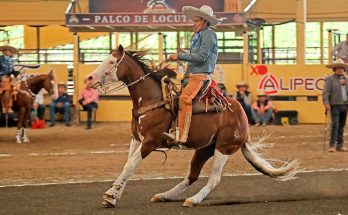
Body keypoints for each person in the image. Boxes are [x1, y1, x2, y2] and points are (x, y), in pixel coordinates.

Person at [162, 5, 222, 143]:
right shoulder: (198, 35)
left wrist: (181, 55)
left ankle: (182, 135)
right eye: (194, 21)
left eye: (196, 21)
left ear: (204, 21)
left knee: (184, 99)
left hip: (201, 76)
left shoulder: (209, 34)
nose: (193, 24)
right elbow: (196, 56)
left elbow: (201, 57)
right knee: (173, 98)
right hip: (192, 75)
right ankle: (174, 128)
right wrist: (184, 53)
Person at [323, 59, 348, 152]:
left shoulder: (346, 79)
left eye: (341, 68)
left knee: (342, 125)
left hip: (345, 105)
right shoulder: (330, 79)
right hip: (334, 105)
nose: (340, 70)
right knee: (335, 125)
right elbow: (326, 92)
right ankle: (332, 145)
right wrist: (326, 102)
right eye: (338, 68)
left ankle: (340, 145)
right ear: (335, 69)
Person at [0, 45, 18, 113]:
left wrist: (15, 73)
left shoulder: (11, 60)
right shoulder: (0, 59)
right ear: (3, 51)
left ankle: (11, 106)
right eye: (7, 50)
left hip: (9, 78)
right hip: (2, 78)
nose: (8, 52)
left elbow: (12, 70)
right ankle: (5, 107)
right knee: (7, 89)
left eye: (9, 51)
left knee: (16, 88)